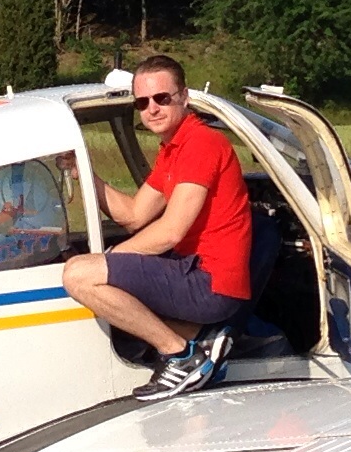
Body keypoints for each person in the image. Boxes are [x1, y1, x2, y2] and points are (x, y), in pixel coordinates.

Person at [64, 54, 252, 401]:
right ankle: (202, 337)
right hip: (198, 272)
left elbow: (171, 231)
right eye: (142, 102)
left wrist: (111, 260)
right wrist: (84, 173)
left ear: (184, 97)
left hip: (210, 281)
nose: (152, 109)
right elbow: (135, 215)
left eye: (162, 98)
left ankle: (182, 356)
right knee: (104, 285)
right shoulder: (174, 149)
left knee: (78, 275)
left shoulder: (201, 144)